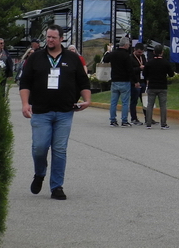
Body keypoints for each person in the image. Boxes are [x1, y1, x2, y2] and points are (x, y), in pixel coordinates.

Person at [19, 25, 92, 200]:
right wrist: (25, 104)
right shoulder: (36, 58)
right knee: (39, 148)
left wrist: (87, 100)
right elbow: (25, 83)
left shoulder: (72, 58)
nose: (50, 40)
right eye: (48, 37)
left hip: (65, 112)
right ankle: (39, 174)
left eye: (53, 37)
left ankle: (57, 186)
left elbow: (83, 82)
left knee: (60, 149)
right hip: (41, 111)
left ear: (61, 39)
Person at [103, 37, 137, 127]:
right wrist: (135, 81)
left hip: (114, 80)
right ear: (125, 45)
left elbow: (105, 59)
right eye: (129, 45)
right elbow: (130, 70)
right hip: (125, 81)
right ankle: (124, 120)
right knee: (125, 102)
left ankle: (113, 120)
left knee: (113, 102)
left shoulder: (113, 54)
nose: (129, 46)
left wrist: (109, 51)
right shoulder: (126, 56)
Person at [143, 44, 174, 129]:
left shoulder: (149, 62)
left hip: (152, 86)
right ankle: (163, 124)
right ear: (162, 53)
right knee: (163, 105)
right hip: (162, 86)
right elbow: (171, 74)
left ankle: (148, 123)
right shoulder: (165, 63)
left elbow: (144, 74)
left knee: (150, 104)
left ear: (154, 52)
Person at [129, 43, 147, 125]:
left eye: (141, 52)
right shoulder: (130, 58)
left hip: (143, 81)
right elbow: (130, 70)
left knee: (145, 101)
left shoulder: (143, 57)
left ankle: (148, 118)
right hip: (135, 82)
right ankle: (134, 118)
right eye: (139, 52)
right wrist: (139, 68)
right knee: (134, 101)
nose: (140, 54)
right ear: (134, 50)